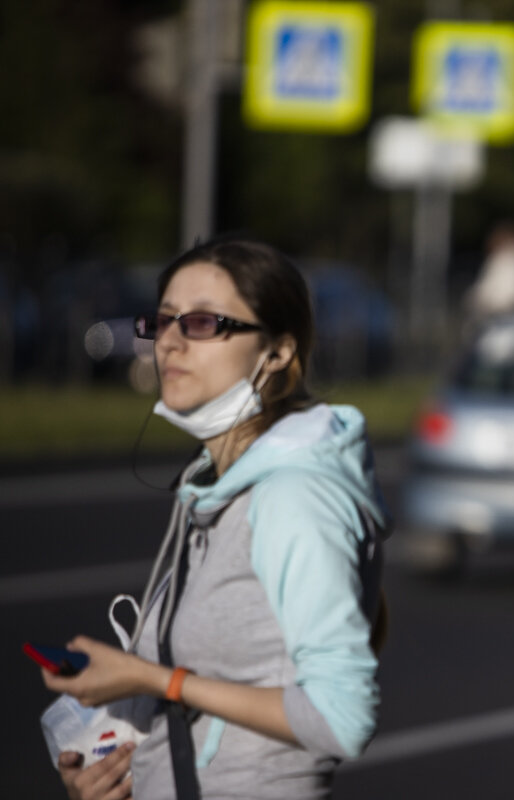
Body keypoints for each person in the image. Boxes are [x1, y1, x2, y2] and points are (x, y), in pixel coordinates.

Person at [38, 237, 390, 800]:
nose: (171, 342)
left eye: (203, 324)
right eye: (165, 320)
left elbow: (341, 718)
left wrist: (151, 678)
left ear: (275, 352)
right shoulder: (212, 484)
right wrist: (114, 773)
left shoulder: (294, 494)